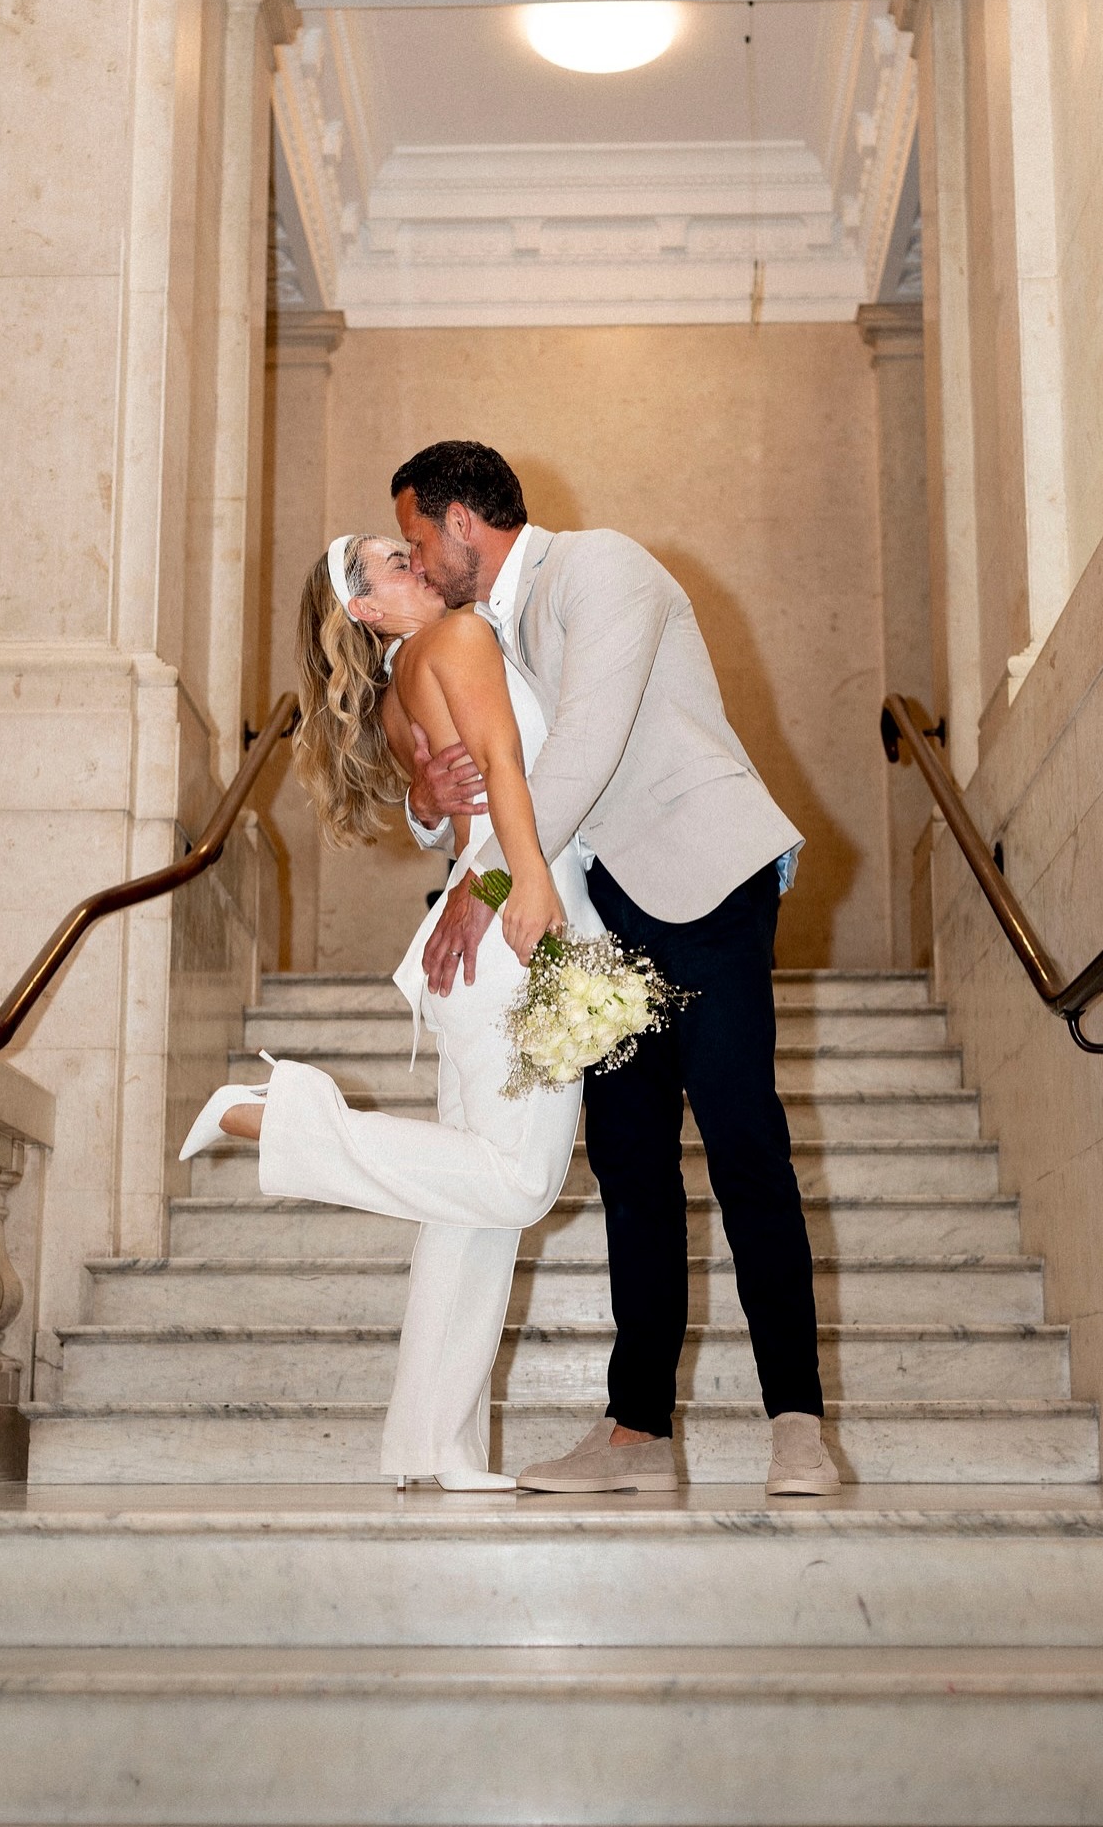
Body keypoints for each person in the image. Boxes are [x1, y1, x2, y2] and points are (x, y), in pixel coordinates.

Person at [394, 440, 839, 1496]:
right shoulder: (468, 637)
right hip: (601, 916)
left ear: (464, 523)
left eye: (419, 540)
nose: (415, 564)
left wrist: (490, 883)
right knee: (633, 1166)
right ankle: (636, 1433)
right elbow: (466, 787)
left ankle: (798, 1425)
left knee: (743, 1142)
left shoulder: (602, 569)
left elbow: (583, 743)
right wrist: (432, 804)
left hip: (706, 880)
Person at [179, 529, 603, 1490]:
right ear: (366, 610)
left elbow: (457, 807)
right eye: (391, 562)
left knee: (470, 1221)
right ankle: (278, 1118)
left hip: (483, 926)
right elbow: (500, 770)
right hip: (515, 924)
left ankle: (430, 1448)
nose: (415, 561)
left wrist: (483, 863)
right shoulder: (455, 639)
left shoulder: (421, 660)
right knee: (522, 1184)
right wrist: (528, 888)